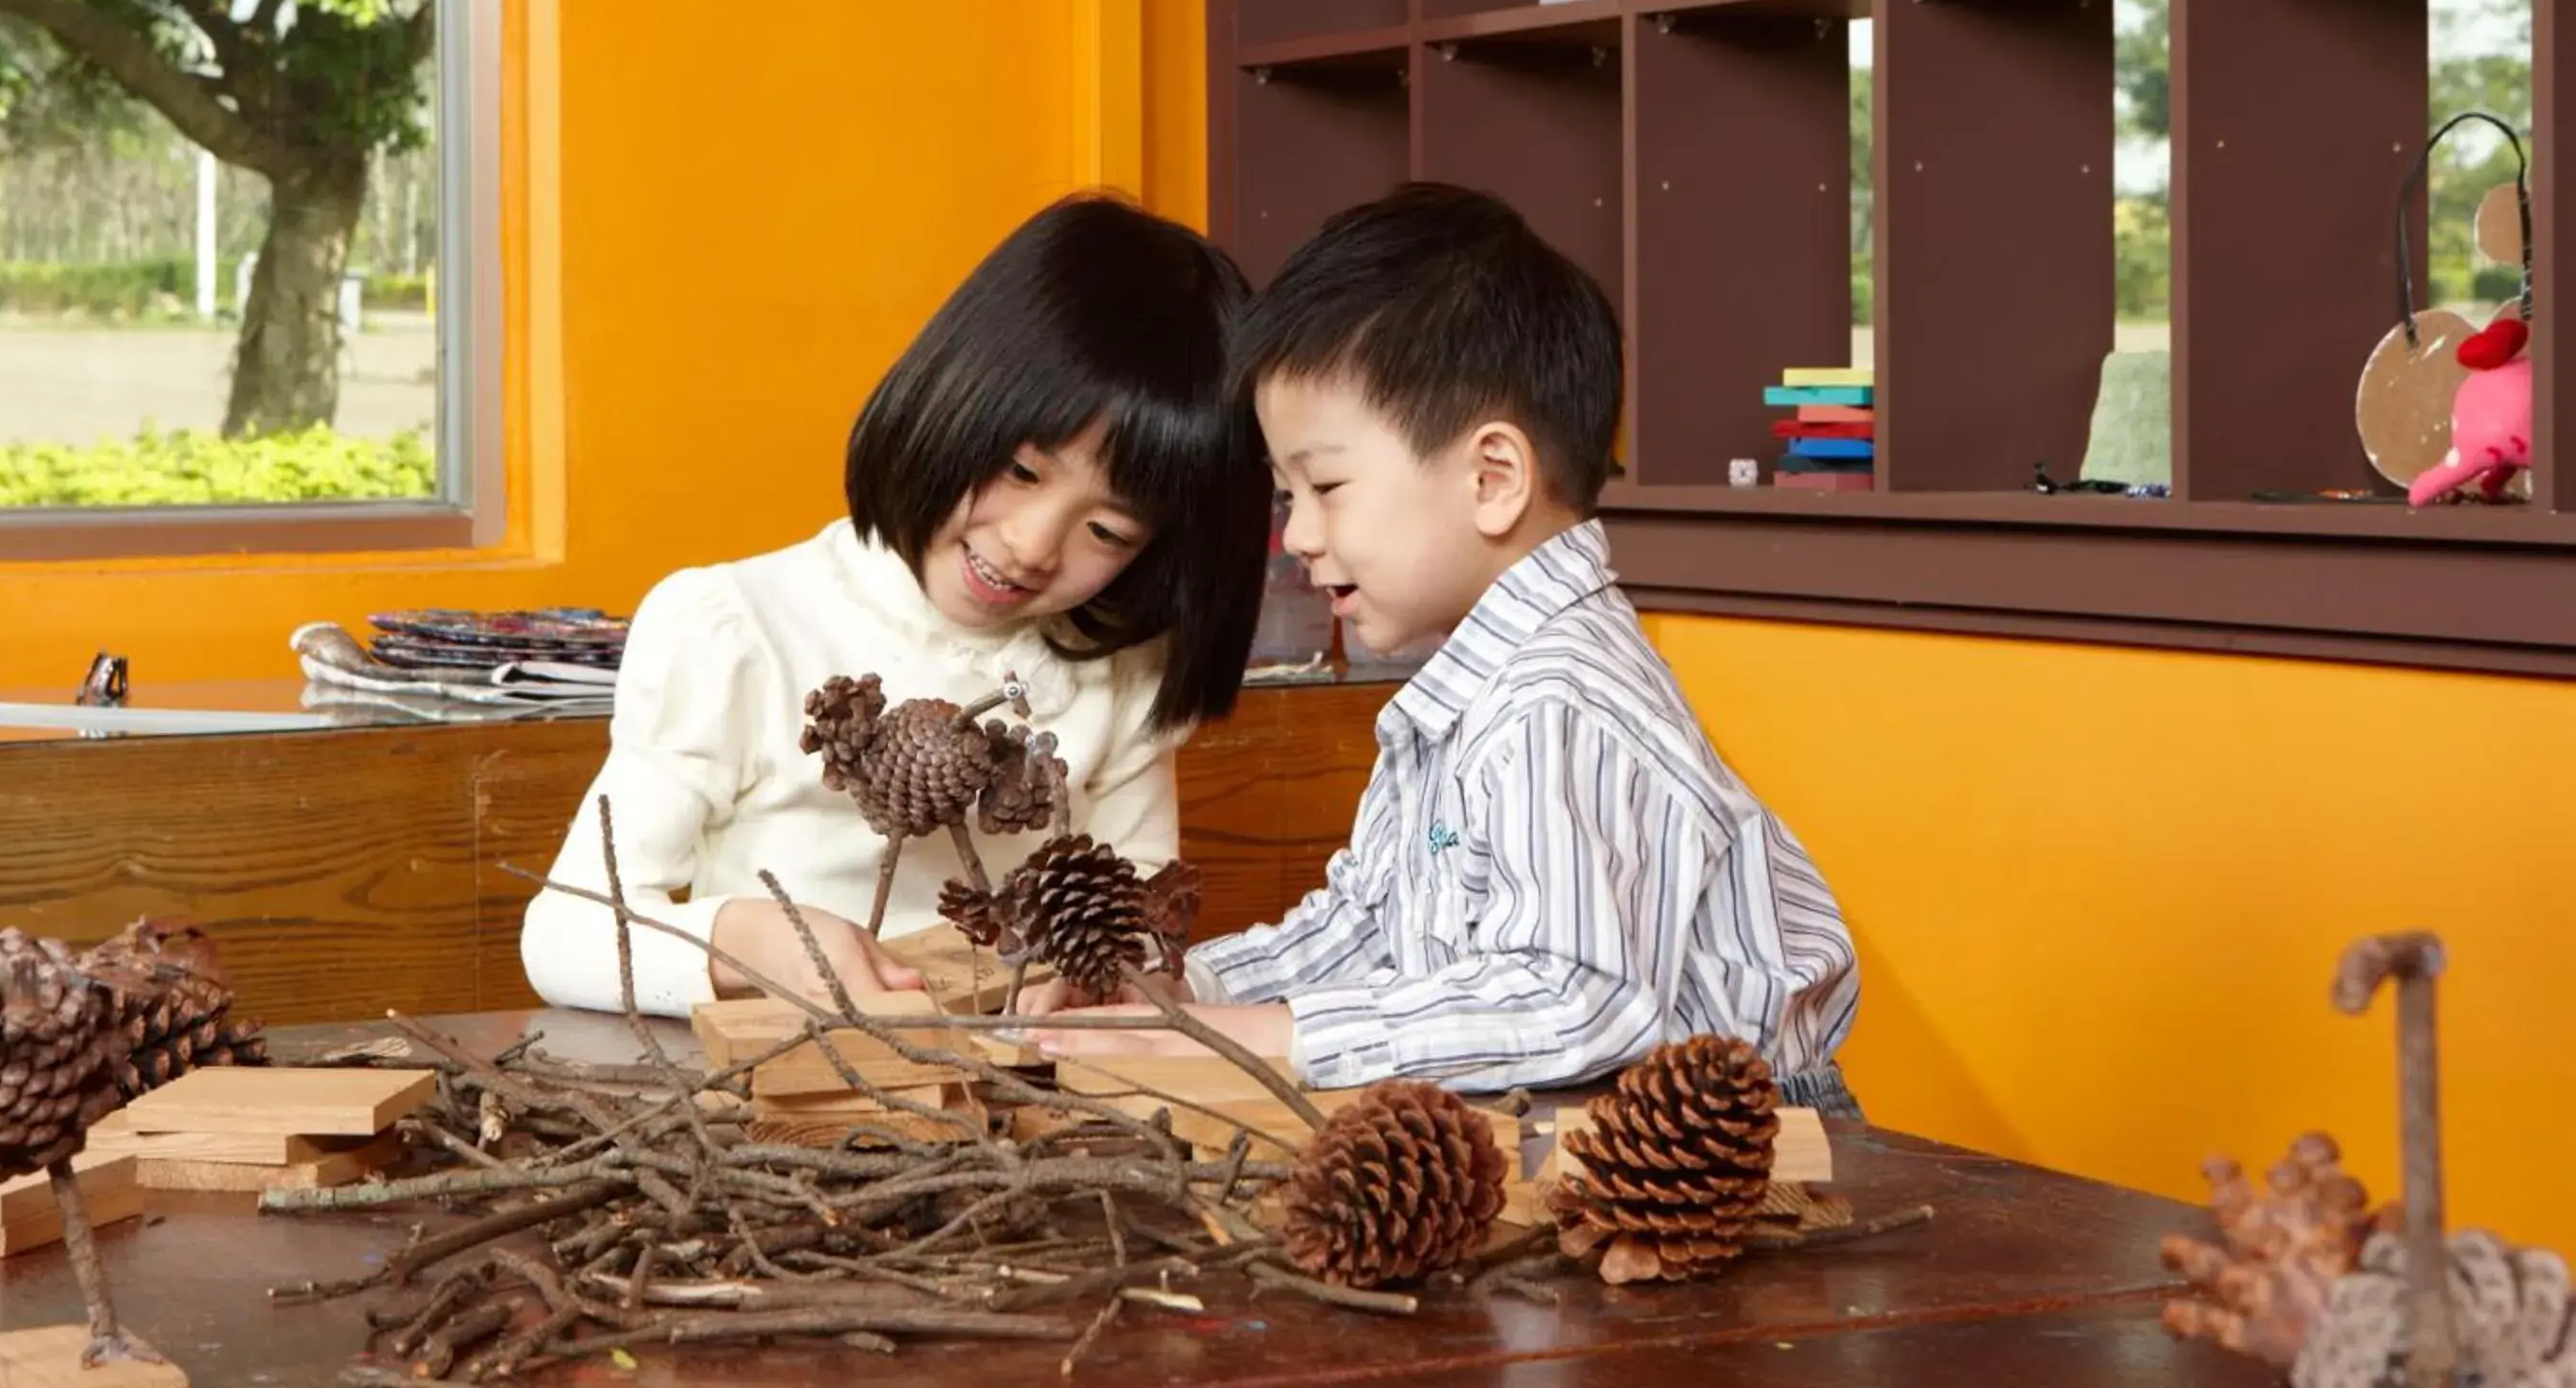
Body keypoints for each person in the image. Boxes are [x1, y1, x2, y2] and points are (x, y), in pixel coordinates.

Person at [1029, 183, 1862, 1111]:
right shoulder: (1464, 688)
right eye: (1285, 495)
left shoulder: (1560, 696)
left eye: (1326, 484)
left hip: (1738, 1143)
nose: (1298, 534)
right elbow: (1364, 922)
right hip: (1585, 1121)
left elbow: (1569, 992)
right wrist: (1188, 994)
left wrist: (1286, 1034)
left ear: (1493, 477)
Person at [522, 192, 1272, 1015]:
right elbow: (564, 936)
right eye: (1022, 472)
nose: (1031, 545)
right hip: (766, 1109)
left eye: (1106, 530)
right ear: (956, 395)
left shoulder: (1120, 676)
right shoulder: (740, 629)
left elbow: (1136, 929)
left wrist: (1120, 977)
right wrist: (740, 941)